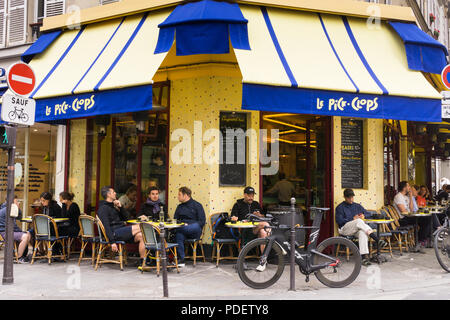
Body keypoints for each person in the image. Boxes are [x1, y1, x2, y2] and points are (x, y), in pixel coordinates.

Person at [335, 189, 387, 266]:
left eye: (352, 197)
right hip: (345, 229)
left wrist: (364, 216)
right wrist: (352, 219)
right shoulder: (340, 207)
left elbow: (368, 214)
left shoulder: (357, 206)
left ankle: (364, 258)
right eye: (349, 197)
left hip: (356, 229)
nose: (351, 199)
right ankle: (376, 239)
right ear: (344, 197)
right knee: (358, 221)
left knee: (362, 232)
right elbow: (339, 221)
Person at [97, 186, 146, 266]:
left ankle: (143, 263)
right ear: (108, 194)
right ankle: (159, 249)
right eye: (113, 192)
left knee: (142, 236)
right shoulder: (103, 208)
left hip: (121, 230)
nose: (115, 193)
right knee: (143, 226)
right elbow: (106, 226)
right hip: (114, 233)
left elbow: (127, 218)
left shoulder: (114, 206)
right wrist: (112, 242)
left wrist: (120, 207)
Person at [173, 187, 206, 267]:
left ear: (185, 195)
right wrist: (183, 224)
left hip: (194, 230)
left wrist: (188, 224)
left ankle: (174, 230)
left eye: (179, 194)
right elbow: (175, 220)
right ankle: (181, 259)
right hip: (183, 229)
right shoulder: (179, 207)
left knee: (182, 229)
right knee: (179, 235)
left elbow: (202, 221)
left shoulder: (197, 205)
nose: (178, 196)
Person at [394, 181, 430, 248]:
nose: (409, 188)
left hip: (408, 217)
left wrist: (410, 197)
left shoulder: (406, 197)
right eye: (408, 186)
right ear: (404, 187)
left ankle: (421, 239)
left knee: (427, 219)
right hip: (402, 219)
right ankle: (420, 240)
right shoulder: (398, 197)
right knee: (424, 220)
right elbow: (403, 211)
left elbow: (411, 209)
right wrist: (412, 213)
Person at [0, 198, 31, 263]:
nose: (18, 202)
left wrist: (18, 208)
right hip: (5, 232)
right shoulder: (8, 210)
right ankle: (19, 257)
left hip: (7, 231)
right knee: (25, 236)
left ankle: (18, 255)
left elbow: (19, 217)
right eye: (16, 201)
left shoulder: (7, 208)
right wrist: (21, 232)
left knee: (28, 234)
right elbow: (13, 226)